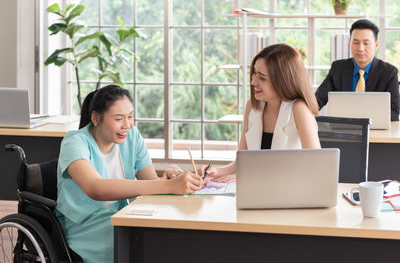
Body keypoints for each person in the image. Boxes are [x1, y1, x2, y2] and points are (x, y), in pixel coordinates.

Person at [55, 85, 203, 262]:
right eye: (119, 119)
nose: (127, 125)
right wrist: (168, 185)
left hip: (125, 214)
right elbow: (96, 188)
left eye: (130, 117)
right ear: (95, 118)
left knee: (166, 235)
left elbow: (151, 183)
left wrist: (172, 178)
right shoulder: (74, 142)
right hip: (85, 225)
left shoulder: (131, 136)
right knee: (143, 245)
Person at [202, 43, 321, 183]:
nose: (253, 82)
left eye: (262, 78)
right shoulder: (252, 107)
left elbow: (315, 167)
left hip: (290, 194)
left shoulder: (299, 109)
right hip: (257, 193)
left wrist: (250, 175)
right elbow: (241, 162)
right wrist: (215, 172)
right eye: (253, 74)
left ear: (282, 81)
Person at [315, 19, 399, 121]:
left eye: (366, 43)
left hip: (376, 130)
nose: (360, 48)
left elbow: (394, 112)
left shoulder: (389, 72)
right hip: (343, 130)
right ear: (350, 43)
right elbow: (318, 100)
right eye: (356, 42)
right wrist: (301, 107)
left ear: (376, 45)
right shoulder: (338, 68)